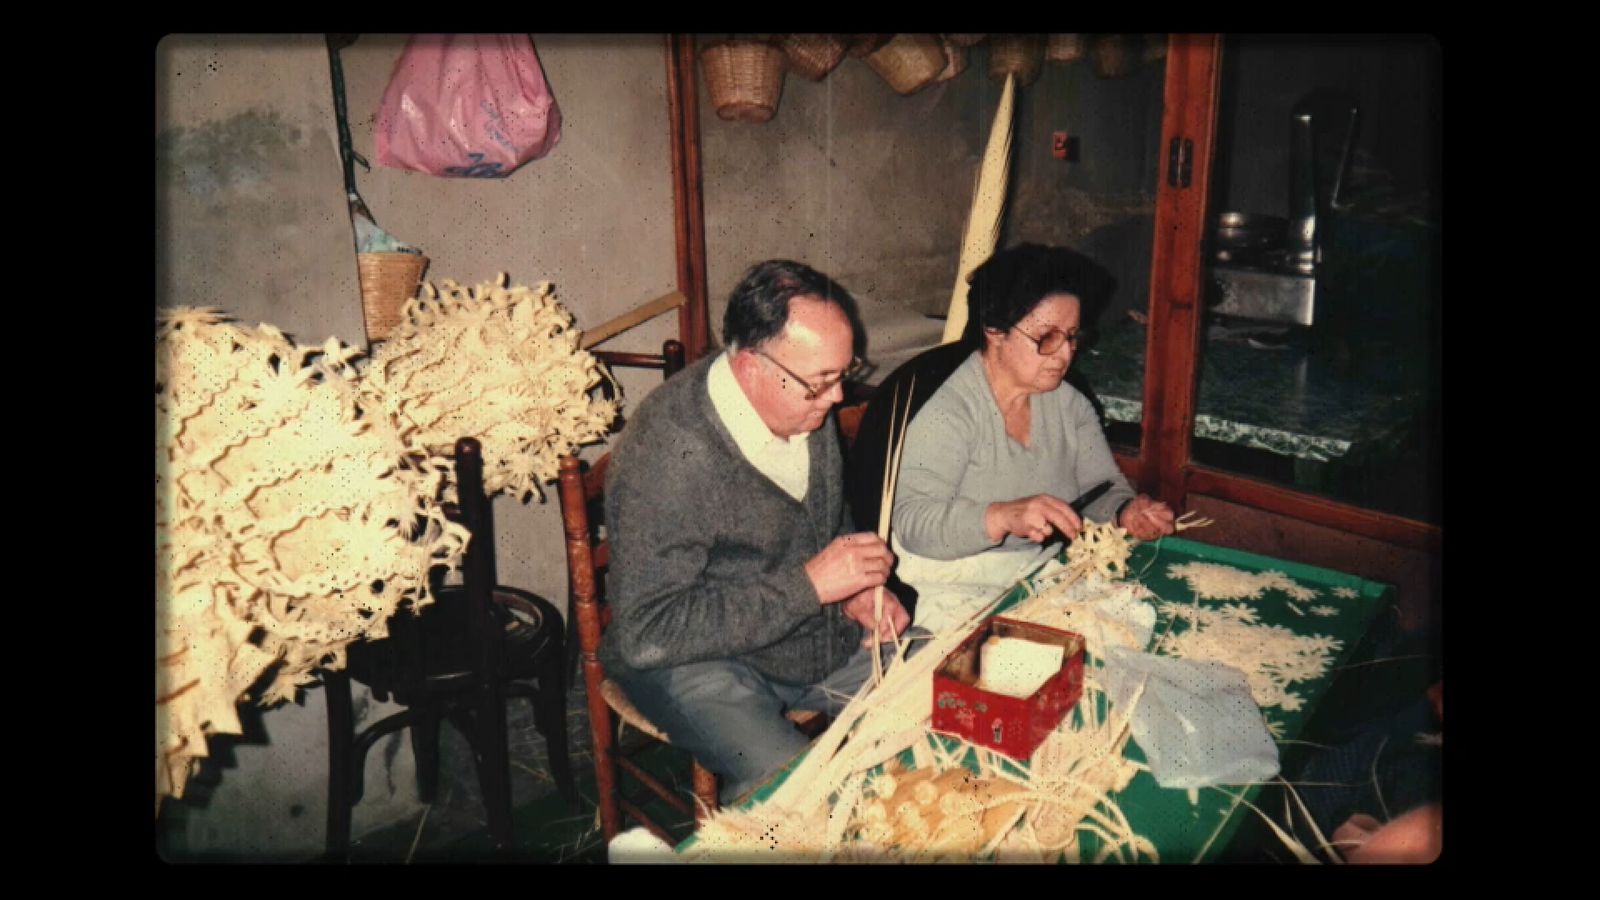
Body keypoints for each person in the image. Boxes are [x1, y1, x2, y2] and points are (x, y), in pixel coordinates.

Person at [601, 259, 915, 803]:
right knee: (795, 794)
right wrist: (811, 587)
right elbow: (648, 631)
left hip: (802, 634)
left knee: (953, 692)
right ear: (750, 368)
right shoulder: (669, 454)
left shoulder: (802, 403)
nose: (838, 397)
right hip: (692, 661)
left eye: (845, 373)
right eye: (822, 382)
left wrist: (860, 590)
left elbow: (826, 518)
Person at [891, 244, 1177, 634]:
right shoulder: (949, 409)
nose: (1063, 355)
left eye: (1073, 337)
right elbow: (914, 524)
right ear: (994, 331)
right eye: (1046, 337)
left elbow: (1101, 488)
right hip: (945, 583)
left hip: (1027, 574)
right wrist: (1002, 516)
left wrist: (1127, 512)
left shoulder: (1068, 404)